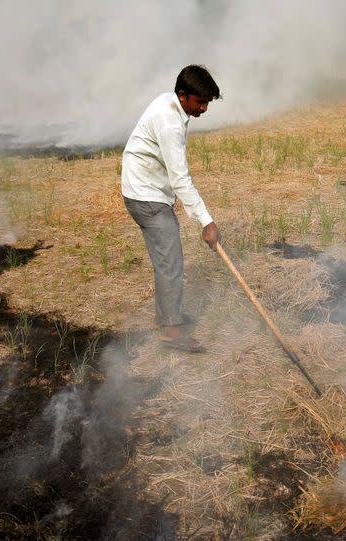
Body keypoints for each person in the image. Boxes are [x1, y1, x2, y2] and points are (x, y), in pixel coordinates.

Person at [121, 64, 221, 353]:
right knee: (171, 261)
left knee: (166, 259)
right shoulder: (169, 121)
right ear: (183, 95)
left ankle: (167, 316)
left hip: (144, 188)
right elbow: (180, 179)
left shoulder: (172, 104)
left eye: (207, 103)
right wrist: (206, 222)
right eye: (200, 102)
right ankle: (171, 332)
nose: (204, 108)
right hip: (145, 195)